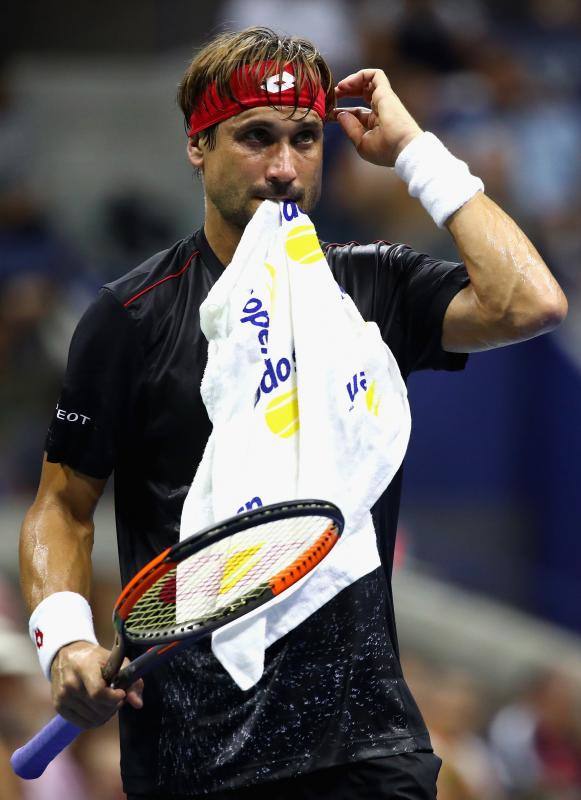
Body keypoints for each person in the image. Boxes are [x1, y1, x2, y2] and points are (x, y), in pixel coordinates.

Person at [19, 27, 567, 800]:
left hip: (368, 748)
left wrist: (416, 150)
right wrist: (64, 642)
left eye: (304, 139)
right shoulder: (129, 318)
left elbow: (530, 303)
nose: (283, 168)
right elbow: (62, 507)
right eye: (255, 138)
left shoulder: (369, 288)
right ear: (196, 146)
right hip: (191, 759)